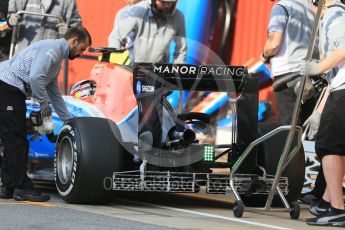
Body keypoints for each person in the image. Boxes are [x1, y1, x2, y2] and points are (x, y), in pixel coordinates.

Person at [0, 25, 92, 202]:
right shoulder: (53, 49)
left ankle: (8, 186)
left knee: (12, 138)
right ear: (74, 41)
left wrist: (70, 121)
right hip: (8, 85)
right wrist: (44, 108)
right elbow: (35, 78)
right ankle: (22, 188)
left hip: (8, 86)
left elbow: (54, 94)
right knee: (17, 140)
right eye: (82, 48)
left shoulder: (56, 58)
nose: (81, 53)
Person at [301, 0, 345, 226]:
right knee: (336, 147)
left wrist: (318, 67)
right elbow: (334, 79)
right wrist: (318, 112)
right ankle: (328, 202)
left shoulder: (334, 14)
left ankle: (338, 208)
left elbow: (344, 48)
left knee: (328, 146)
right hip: (339, 88)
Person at [261, 0, 318, 125]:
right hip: (313, 73)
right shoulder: (313, 8)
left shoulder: (281, 7)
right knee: (307, 128)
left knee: (288, 128)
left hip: (288, 76)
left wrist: (264, 55)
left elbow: (274, 43)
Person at [108, 0, 187, 64]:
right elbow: (116, 37)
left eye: (170, 3)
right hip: (132, 67)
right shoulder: (137, 11)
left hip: (159, 71)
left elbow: (181, 50)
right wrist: (114, 64)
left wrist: (175, 75)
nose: (166, 5)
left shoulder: (179, 17)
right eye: (163, 2)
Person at [8, 0, 82, 54]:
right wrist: (9, 21)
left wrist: (68, 31)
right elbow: (2, 25)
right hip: (22, 56)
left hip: (50, 59)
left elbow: (78, 29)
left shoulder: (68, 1)